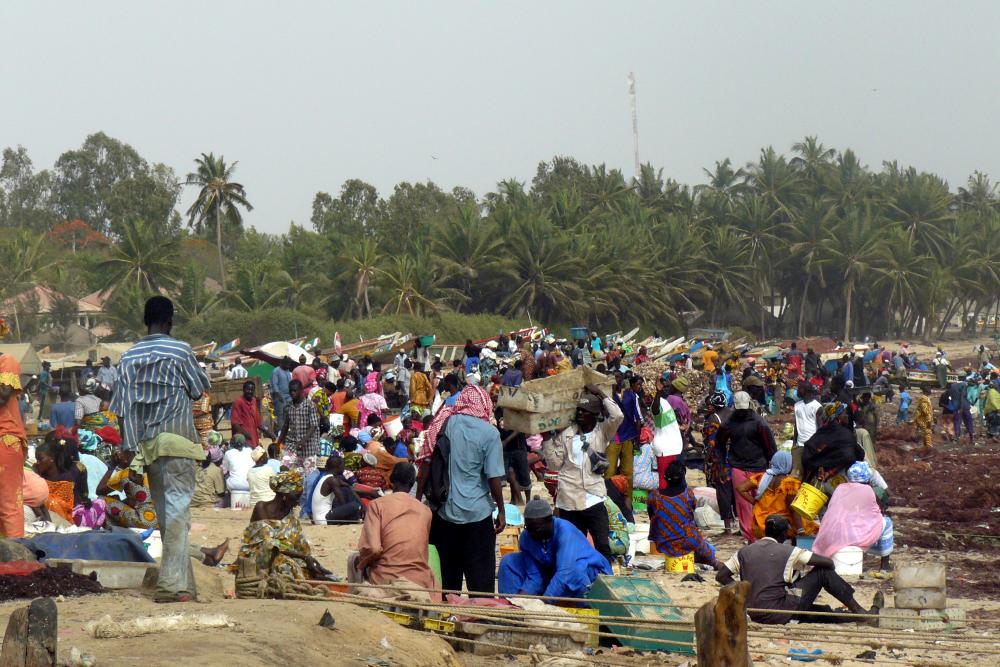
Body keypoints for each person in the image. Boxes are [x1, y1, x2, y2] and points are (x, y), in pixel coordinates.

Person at [110, 295, 211, 603]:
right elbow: (199, 389)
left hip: (148, 447)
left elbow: (123, 410)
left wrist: (129, 448)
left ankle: (185, 586)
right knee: (177, 513)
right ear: (170, 322)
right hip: (178, 441)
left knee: (169, 517)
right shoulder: (180, 350)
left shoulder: (128, 358)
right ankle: (170, 586)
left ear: (145, 321)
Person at [717, 515, 882, 625]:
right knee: (822, 573)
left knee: (820, 612)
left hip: (752, 612)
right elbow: (827, 563)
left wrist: (742, 592)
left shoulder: (744, 551)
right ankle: (860, 612)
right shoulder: (788, 551)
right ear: (784, 534)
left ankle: (847, 616)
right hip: (778, 611)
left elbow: (721, 576)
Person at [421, 385, 506, 594]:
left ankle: (450, 610)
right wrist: (502, 511)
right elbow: (494, 477)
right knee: (481, 580)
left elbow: (427, 462)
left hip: (445, 512)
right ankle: (478, 610)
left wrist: (417, 501)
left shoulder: (445, 423)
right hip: (478, 514)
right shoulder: (490, 433)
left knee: (448, 579)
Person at [544, 386, 624, 565]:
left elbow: (617, 416)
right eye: (578, 410)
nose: (580, 413)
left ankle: (605, 575)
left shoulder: (602, 432)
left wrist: (601, 394)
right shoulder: (567, 434)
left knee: (602, 545)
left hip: (593, 497)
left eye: (585, 411)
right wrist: (547, 440)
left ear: (594, 414)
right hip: (569, 499)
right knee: (573, 548)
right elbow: (554, 464)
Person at [349, 462, 438, 598]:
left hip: (386, 579)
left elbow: (373, 549)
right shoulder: (425, 511)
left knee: (353, 559)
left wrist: (361, 563)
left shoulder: (377, 505)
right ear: (412, 483)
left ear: (391, 479)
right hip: (419, 580)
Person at [498, 498, 611, 598]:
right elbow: (534, 575)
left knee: (576, 570)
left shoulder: (565, 532)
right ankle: (511, 608)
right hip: (554, 574)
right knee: (509, 561)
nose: (532, 533)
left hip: (588, 575)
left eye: (536, 528)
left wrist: (545, 603)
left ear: (550, 522)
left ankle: (584, 607)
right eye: (528, 528)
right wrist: (520, 600)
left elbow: (565, 572)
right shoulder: (527, 537)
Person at [239, 470, 333, 580]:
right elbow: (268, 545)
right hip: (261, 557)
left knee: (314, 571)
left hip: (285, 555)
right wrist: (304, 557)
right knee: (285, 566)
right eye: (296, 496)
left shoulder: (290, 514)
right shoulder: (262, 509)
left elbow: (299, 544)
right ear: (284, 494)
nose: (298, 502)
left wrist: (308, 560)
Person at [717, 391, 776, 541]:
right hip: (738, 466)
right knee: (743, 504)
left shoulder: (759, 423)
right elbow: (720, 444)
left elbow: (770, 447)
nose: (742, 412)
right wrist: (722, 464)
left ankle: (762, 532)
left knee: (760, 500)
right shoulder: (729, 423)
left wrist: (773, 467)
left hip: (759, 467)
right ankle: (750, 536)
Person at [812, 462, 893, 571]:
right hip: (853, 536)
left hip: (832, 534)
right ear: (867, 478)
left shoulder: (840, 488)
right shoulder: (867, 490)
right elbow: (879, 510)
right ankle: (885, 565)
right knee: (887, 522)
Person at [649, 461, 720, 567]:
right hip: (688, 542)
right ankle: (715, 564)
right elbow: (691, 514)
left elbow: (652, 517)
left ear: (665, 478)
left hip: (663, 543)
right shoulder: (688, 495)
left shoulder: (654, 496)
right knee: (707, 549)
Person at [737, 451, 815, 540]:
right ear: (787, 464)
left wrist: (755, 502)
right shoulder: (790, 483)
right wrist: (801, 530)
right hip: (781, 525)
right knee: (809, 526)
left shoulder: (762, 477)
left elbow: (741, 488)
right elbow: (792, 509)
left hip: (761, 524)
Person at [801, 402, 865, 485]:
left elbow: (808, 453)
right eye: (844, 413)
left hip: (818, 479)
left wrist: (819, 465)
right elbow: (852, 456)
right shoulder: (845, 434)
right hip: (840, 479)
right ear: (838, 417)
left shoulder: (822, 432)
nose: (847, 416)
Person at [702, 391, 736, 534]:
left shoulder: (714, 419)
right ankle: (740, 526)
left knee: (723, 493)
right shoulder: (733, 415)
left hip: (721, 461)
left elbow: (712, 444)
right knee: (736, 492)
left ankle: (728, 528)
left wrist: (706, 460)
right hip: (736, 459)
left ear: (714, 405)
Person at [278, 379, 321, 475]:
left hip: (308, 446)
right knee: (284, 468)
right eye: (291, 391)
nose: (292, 393)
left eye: (295, 390)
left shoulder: (310, 406)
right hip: (292, 445)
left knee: (309, 475)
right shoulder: (288, 407)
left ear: (301, 390)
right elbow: (285, 425)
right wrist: (278, 443)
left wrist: (303, 441)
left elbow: (314, 425)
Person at [609, 376, 642, 495]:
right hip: (613, 437)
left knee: (627, 471)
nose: (617, 380)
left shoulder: (630, 395)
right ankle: (609, 497)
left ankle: (627, 498)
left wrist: (637, 439)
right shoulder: (607, 396)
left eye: (619, 378)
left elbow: (637, 417)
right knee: (610, 471)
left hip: (628, 436)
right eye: (615, 377)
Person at [312, 455, 362, 523]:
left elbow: (348, 487)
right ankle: (355, 517)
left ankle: (355, 517)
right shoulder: (332, 480)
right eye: (343, 466)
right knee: (355, 506)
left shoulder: (327, 478)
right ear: (339, 467)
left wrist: (348, 487)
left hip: (318, 518)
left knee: (346, 491)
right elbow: (342, 502)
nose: (344, 468)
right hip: (324, 518)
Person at [231, 380, 273, 446]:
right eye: (248, 389)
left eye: (252, 390)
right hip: (242, 440)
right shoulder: (238, 402)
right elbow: (235, 424)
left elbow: (259, 423)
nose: (250, 391)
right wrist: (246, 435)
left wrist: (268, 433)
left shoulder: (254, 401)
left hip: (253, 438)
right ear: (243, 389)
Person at [223, 434, 255, 499]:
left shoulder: (228, 453)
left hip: (234, 485)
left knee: (225, 474)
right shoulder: (249, 451)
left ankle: (228, 498)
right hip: (250, 484)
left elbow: (225, 469)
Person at [950, 375, 975, 444]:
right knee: (968, 421)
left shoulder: (952, 385)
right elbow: (962, 396)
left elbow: (951, 397)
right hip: (964, 406)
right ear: (964, 378)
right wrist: (961, 407)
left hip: (955, 406)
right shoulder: (963, 385)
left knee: (957, 421)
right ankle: (971, 438)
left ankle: (957, 438)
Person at [270, 358, 293, 428]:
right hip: (279, 397)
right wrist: (279, 396)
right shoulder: (276, 371)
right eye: (287, 365)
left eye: (289, 365)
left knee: (289, 414)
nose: (288, 366)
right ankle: (281, 431)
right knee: (281, 415)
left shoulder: (287, 371)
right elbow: (274, 384)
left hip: (289, 396)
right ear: (282, 363)